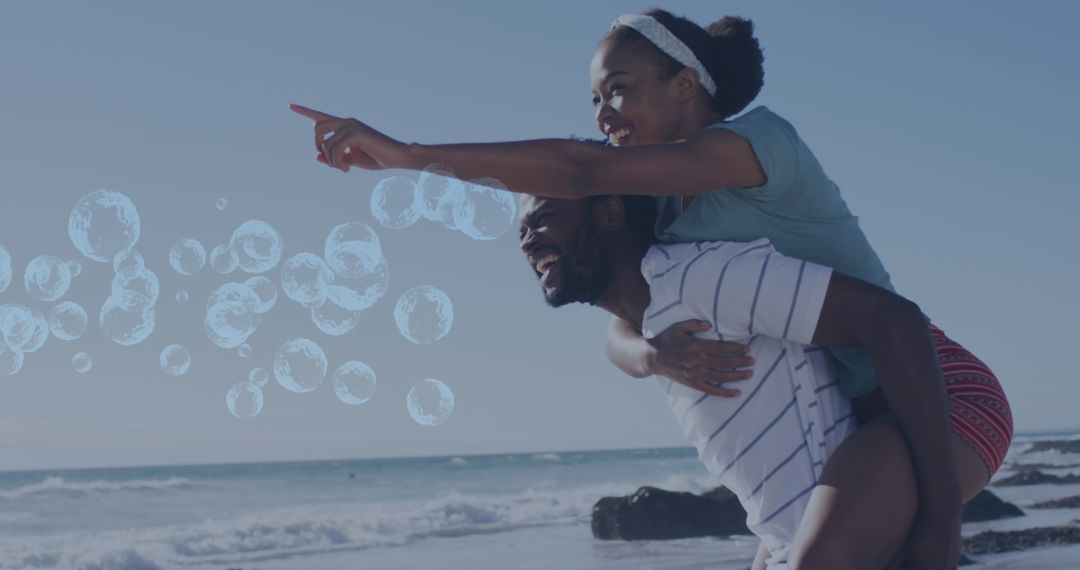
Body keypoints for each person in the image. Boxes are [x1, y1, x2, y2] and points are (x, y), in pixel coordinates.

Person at [289, 12, 1011, 568]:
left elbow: (578, 172)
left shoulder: (759, 146)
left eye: (618, 89)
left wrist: (410, 156)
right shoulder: (669, 220)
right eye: (595, 99)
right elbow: (625, 321)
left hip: (933, 391)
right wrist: (652, 354)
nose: (603, 114)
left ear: (685, 86)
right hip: (850, 415)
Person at [517, 192, 950, 569]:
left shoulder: (698, 277)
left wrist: (941, 522)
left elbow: (892, 318)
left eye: (543, 219)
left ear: (610, 213)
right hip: (790, 545)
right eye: (521, 231)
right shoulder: (652, 324)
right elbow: (617, 344)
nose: (527, 241)